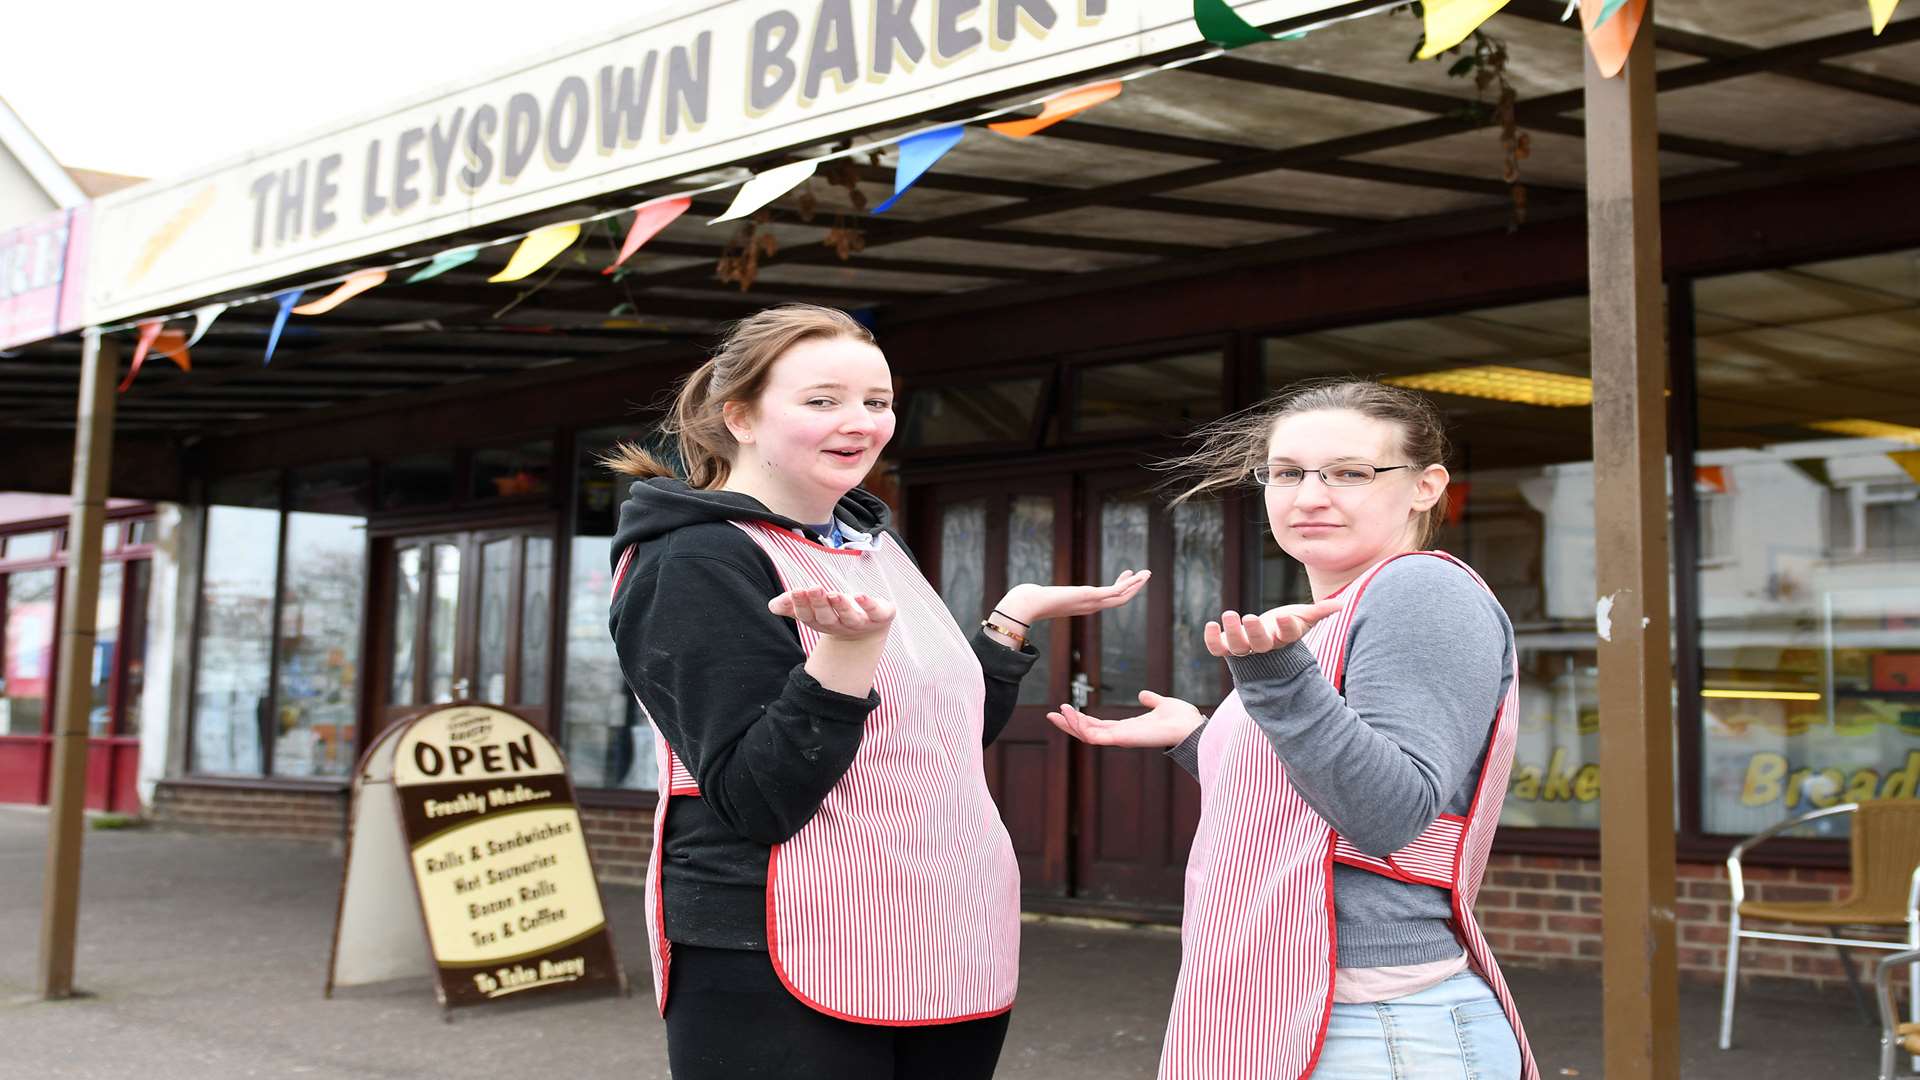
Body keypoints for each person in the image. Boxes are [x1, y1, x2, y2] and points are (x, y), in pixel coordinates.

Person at [605, 304, 1147, 1080]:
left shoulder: (869, 540)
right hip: (779, 948)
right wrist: (847, 653)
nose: (858, 422)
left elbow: (939, 737)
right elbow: (758, 795)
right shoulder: (693, 560)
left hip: (946, 928)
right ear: (742, 417)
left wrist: (1010, 619)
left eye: (877, 401)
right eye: (821, 400)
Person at [1047, 379, 1537, 1080]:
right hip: (1311, 1013)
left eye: (1350, 473)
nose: (1309, 495)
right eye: (1286, 473)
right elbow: (1313, 795)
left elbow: (1386, 810)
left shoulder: (1420, 592)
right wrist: (1199, 737)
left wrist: (1275, 677)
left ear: (1426, 487)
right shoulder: (1342, 607)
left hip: (1374, 1029)